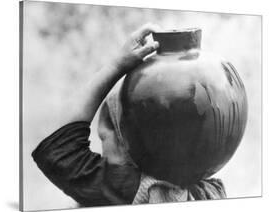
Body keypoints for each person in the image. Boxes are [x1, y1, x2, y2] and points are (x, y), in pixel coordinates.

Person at [32, 23, 226, 207]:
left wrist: (116, 66)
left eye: (108, 129)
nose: (101, 140)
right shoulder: (211, 191)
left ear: (136, 145)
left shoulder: (132, 191)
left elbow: (57, 150)